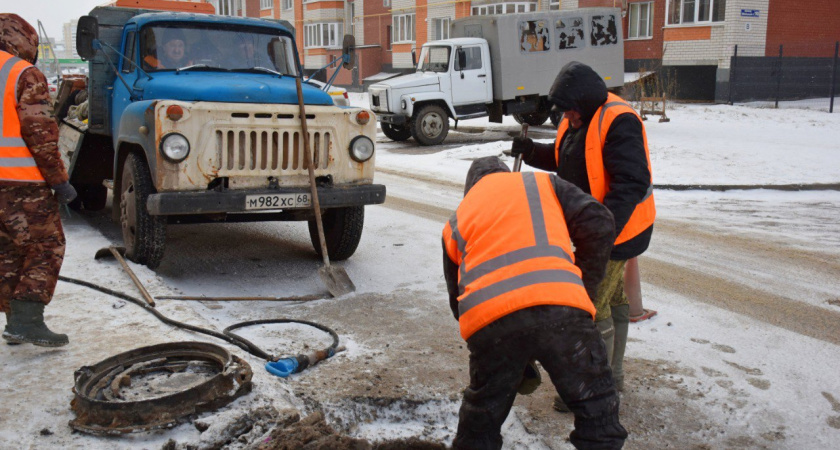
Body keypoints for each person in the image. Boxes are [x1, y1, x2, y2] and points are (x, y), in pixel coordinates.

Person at [443, 156, 627, 449]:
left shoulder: (457, 220)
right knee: (597, 414)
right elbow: (600, 222)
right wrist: (582, 290)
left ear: (471, 189)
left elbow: (458, 303)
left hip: (491, 324)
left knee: (481, 422)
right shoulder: (541, 182)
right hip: (563, 310)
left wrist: (508, 353)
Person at [511, 61, 655, 397]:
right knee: (614, 298)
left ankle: (592, 389)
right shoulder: (575, 119)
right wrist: (532, 152)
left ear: (585, 103)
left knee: (589, 307)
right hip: (593, 227)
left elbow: (632, 183)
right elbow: (566, 159)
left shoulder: (620, 121)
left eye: (572, 113)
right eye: (565, 114)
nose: (568, 119)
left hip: (620, 229)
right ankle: (613, 378)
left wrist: (601, 231)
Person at [0, 14, 76, 347]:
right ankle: (27, 320)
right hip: (21, 183)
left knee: (8, 251)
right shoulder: (22, 73)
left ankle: (13, 321)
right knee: (47, 246)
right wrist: (59, 181)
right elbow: (40, 133)